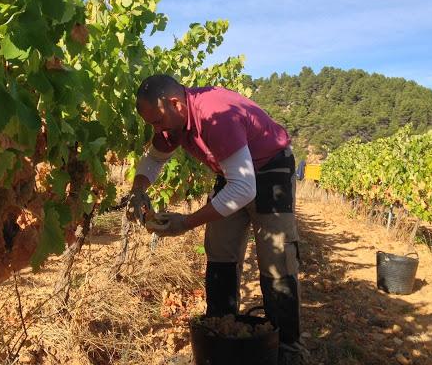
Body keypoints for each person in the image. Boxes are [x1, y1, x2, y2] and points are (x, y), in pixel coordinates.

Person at [123, 74, 305, 364]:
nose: (156, 129)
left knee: (276, 261)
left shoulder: (215, 116)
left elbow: (244, 188)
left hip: (271, 169)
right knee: (220, 251)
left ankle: (286, 350)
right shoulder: (172, 122)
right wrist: (138, 190)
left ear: (175, 104)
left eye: (157, 121)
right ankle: (223, 333)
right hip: (231, 173)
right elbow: (154, 159)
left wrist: (186, 222)